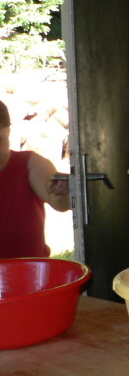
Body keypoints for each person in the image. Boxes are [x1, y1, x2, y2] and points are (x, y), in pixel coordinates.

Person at [0, 99, 71, 258]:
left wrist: (61, 191)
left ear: (9, 132)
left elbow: (59, 203)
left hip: (30, 272)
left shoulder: (30, 164)